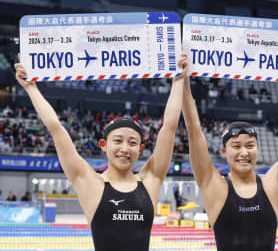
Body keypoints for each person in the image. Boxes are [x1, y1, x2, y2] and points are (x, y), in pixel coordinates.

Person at [15, 53, 189, 251]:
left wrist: (178, 80)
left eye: (132, 142)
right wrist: (31, 87)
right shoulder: (89, 182)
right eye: (118, 141)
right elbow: (56, 128)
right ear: (103, 145)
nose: (124, 148)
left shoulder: (150, 180)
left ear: (140, 149)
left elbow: (169, 128)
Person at [182, 61, 278, 250]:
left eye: (250, 145)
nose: (244, 152)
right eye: (236, 146)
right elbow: (193, 130)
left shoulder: (273, 183)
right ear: (224, 151)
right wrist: (183, 79)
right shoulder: (214, 186)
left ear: (258, 148)